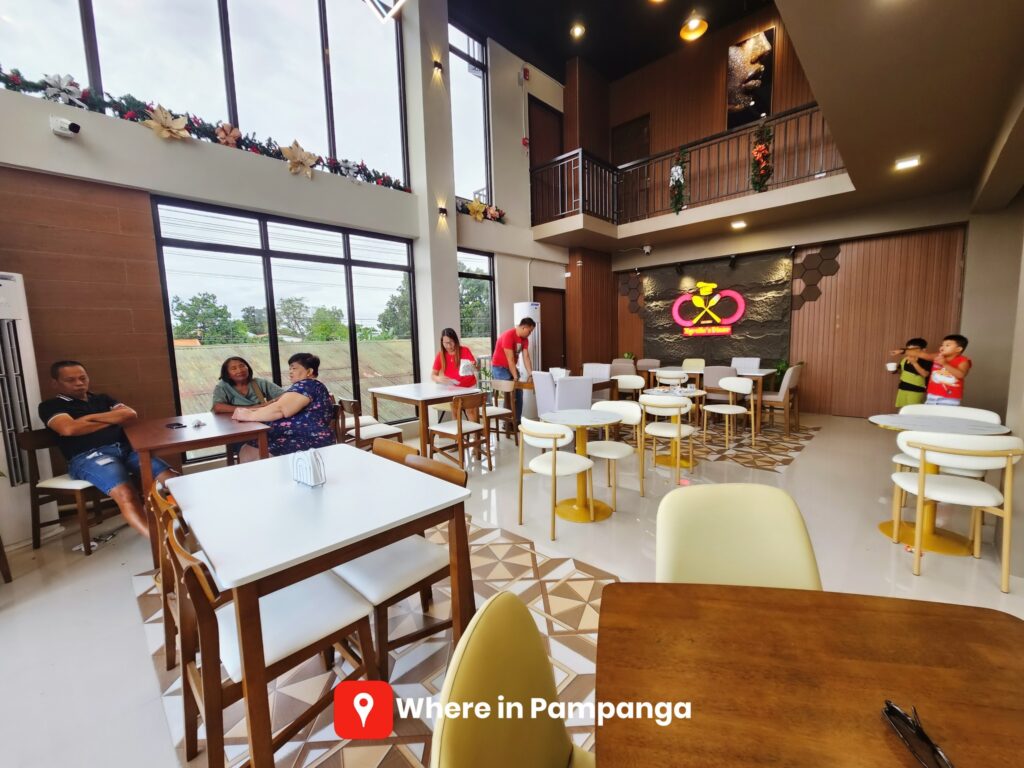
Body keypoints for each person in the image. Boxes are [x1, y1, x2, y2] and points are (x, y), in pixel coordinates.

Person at [38, 360, 177, 539]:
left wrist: (86, 420)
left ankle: (192, 523)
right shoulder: (50, 406)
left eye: (83, 378)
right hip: (88, 457)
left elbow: (130, 415)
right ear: (55, 383)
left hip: (128, 450)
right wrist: (112, 419)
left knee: (173, 480)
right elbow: (69, 429)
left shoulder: (103, 399)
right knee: (126, 493)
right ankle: (160, 542)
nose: (79, 383)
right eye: (70, 380)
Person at [231, 352, 335, 460]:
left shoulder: (307, 385)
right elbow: (279, 406)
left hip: (307, 439)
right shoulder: (307, 386)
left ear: (309, 371)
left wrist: (249, 415)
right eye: (290, 369)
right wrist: (252, 412)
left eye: (294, 368)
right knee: (247, 448)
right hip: (297, 436)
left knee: (248, 449)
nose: (290, 372)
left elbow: (280, 409)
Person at [491, 317, 536, 423]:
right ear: (524, 327)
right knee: (511, 390)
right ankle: (507, 421)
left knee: (519, 391)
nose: (530, 334)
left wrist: (531, 374)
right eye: (530, 331)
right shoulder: (509, 335)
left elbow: (526, 357)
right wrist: (515, 377)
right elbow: (510, 359)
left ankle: (516, 421)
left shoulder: (525, 340)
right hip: (499, 368)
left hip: (509, 368)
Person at [211, 356, 286, 413]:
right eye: (234, 368)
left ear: (248, 368)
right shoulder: (222, 386)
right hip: (234, 422)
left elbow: (286, 395)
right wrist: (253, 408)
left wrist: (272, 402)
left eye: (242, 366)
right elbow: (217, 407)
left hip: (259, 418)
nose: (240, 370)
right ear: (227, 374)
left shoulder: (260, 383)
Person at [921, 334, 972, 406]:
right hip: (931, 395)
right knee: (930, 413)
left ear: (958, 349)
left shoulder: (963, 360)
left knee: (945, 413)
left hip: (950, 397)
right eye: (942, 345)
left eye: (947, 345)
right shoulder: (938, 356)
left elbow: (961, 375)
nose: (942, 347)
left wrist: (944, 364)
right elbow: (925, 355)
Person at [887, 337, 930, 407]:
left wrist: (914, 363)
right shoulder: (905, 360)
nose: (910, 352)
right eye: (908, 350)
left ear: (923, 350)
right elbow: (901, 370)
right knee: (903, 408)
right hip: (902, 388)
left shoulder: (926, 361)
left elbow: (925, 374)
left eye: (914, 350)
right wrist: (895, 370)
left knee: (913, 410)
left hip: (916, 391)